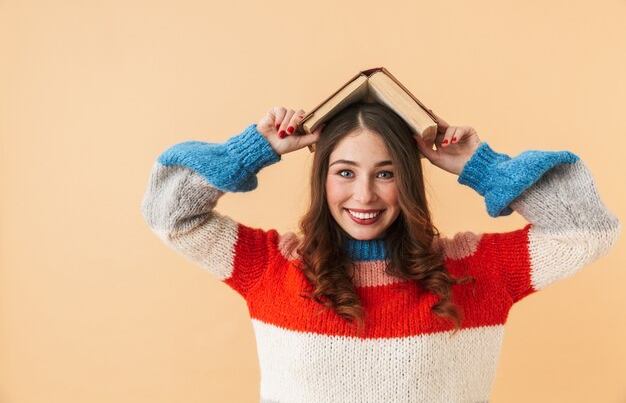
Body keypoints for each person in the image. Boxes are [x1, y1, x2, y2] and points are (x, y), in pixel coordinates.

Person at [140, 101, 620, 403]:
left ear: (408, 179)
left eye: (386, 173)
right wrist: (249, 151)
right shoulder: (271, 266)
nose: (364, 196)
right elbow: (168, 212)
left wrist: (484, 166)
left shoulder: (475, 272)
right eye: (345, 172)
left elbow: (587, 229)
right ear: (322, 178)